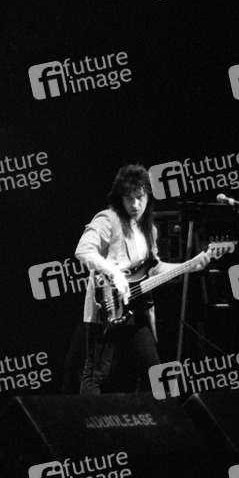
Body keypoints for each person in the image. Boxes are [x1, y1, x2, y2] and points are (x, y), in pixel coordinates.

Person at [74, 164, 207, 395]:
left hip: (138, 308)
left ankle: (147, 415)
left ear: (148, 197)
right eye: (129, 198)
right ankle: (91, 418)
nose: (135, 205)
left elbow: (154, 269)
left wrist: (190, 266)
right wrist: (114, 273)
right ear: (120, 198)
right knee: (95, 373)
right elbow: (84, 251)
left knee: (152, 371)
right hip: (106, 307)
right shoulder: (108, 220)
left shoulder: (149, 230)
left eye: (140, 198)